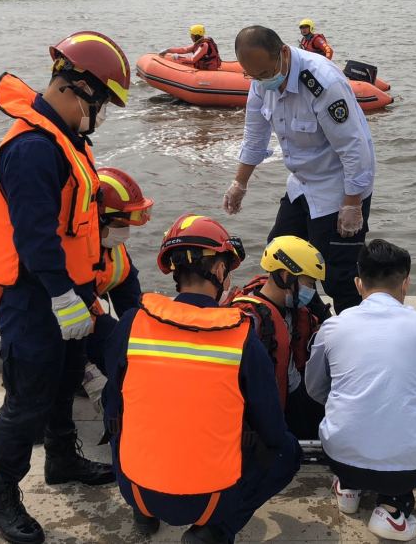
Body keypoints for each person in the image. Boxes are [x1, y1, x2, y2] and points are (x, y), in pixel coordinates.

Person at [0, 31, 131, 543]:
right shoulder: (32, 150)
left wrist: (82, 291)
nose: (102, 114)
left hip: (66, 288)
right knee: (26, 400)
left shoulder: (66, 141)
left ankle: (62, 460)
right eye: (102, 103)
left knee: (66, 380)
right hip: (32, 297)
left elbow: (74, 228)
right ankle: (1, 500)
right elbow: (34, 238)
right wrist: (63, 297)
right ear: (76, 90)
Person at [103, 214, 301, 544]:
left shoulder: (131, 323)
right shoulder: (241, 338)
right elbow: (272, 428)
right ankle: (215, 532)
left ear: (174, 270)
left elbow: (113, 402)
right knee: (288, 451)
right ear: (221, 271)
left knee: (115, 406)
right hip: (209, 501)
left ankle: (144, 513)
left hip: (134, 487)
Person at [223, 25, 375, 315]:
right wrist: (239, 184)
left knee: (338, 276)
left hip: (338, 186)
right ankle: (310, 324)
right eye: (253, 75)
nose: (262, 81)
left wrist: (353, 203)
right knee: (280, 257)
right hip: (302, 183)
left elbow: (355, 148)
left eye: (266, 74)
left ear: (282, 53)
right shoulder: (259, 81)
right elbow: (254, 136)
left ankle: (350, 338)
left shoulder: (322, 82)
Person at [306, 239, 416, 541]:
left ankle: (348, 487)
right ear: (406, 282)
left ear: (358, 283)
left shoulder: (332, 328)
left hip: (339, 456)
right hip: (408, 466)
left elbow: (315, 389)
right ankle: (392, 509)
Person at [226, 235, 330, 439]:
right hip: (275, 412)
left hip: (296, 395)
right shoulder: (251, 321)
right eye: (309, 283)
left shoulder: (295, 307)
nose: (311, 291)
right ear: (285, 276)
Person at [80, 167, 154, 408]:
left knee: (123, 341)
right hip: (41, 320)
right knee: (32, 394)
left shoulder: (114, 250)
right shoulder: (68, 252)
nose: (125, 231)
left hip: (84, 316)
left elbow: (131, 306)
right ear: (96, 218)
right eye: (120, 222)